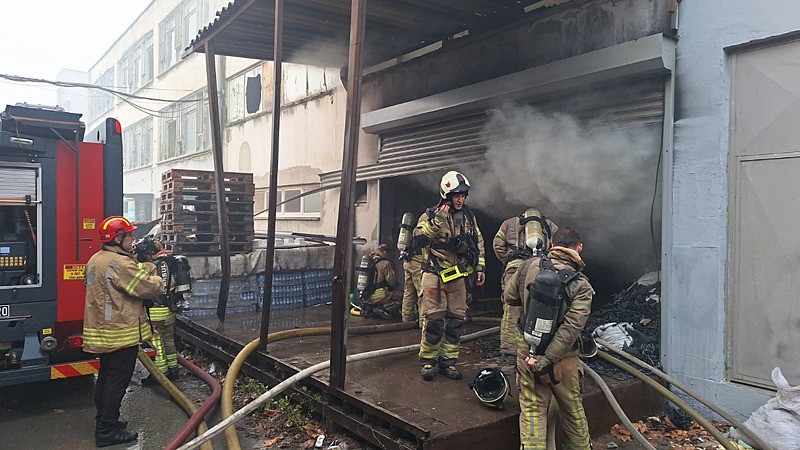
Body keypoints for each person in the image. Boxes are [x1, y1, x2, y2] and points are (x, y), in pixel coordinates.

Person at [503, 227, 593, 450]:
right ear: (579, 248)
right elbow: (571, 329)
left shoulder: (526, 267)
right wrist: (548, 359)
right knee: (573, 412)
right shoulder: (581, 285)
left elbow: (509, 297)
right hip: (564, 360)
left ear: (552, 245)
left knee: (533, 411)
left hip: (528, 352)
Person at [83, 216, 165, 447]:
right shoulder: (120, 263)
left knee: (106, 378)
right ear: (118, 238)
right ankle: (106, 431)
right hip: (120, 332)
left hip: (102, 330)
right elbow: (146, 287)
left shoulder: (96, 259)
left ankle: (105, 420)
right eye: (129, 235)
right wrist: (153, 269)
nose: (133, 239)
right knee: (117, 381)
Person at [413, 171, 485, 381]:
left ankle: (448, 362)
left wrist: (480, 268)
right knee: (434, 321)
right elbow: (418, 240)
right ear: (447, 195)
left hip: (457, 277)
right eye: (456, 195)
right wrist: (437, 221)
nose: (460, 199)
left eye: (463, 195)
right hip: (434, 276)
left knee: (455, 321)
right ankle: (428, 361)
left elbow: (478, 243)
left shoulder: (469, 218)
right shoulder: (429, 215)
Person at [493, 211, 557, 366]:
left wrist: (509, 260)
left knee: (511, 308)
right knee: (534, 306)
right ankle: (533, 347)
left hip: (514, 269)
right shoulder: (549, 225)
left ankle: (509, 351)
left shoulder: (509, 223)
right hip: (538, 269)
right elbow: (557, 246)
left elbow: (497, 244)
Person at [134, 237, 180, 384]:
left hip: (154, 311)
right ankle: (174, 370)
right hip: (169, 309)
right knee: (169, 340)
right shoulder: (169, 262)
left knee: (156, 342)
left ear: (148, 253)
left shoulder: (146, 266)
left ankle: (160, 375)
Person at [357, 244, 402, 319]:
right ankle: (383, 308)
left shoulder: (367, 261)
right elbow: (392, 281)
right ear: (385, 252)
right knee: (402, 297)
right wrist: (397, 285)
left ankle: (370, 307)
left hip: (365, 295)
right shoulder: (385, 264)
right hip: (380, 295)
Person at [400, 214, 425, 324]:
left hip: (407, 263)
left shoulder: (407, 233)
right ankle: (423, 320)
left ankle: (407, 318)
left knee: (408, 291)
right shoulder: (419, 232)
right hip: (417, 265)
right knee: (422, 292)